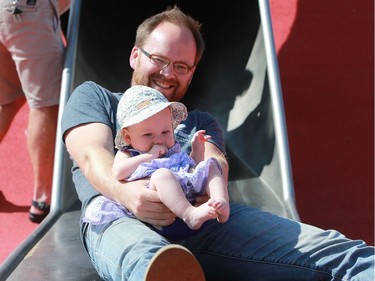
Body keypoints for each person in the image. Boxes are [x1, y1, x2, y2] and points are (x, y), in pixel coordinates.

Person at [61, 5, 374, 281]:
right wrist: (126, 194)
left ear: (192, 72)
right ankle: (167, 269)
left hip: (199, 218)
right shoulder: (96, 97)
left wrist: (211, 183)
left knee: (345, 255)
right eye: (158, 59)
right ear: (135, 55)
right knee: (149, 259)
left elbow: (215, 161)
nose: (168, 73)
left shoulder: (198, 121)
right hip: (119, 217)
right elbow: (92, 155)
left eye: (181, 66)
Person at [83, 85, 229, 237]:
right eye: (147, 134)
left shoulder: (172, 150)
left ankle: (220, 204)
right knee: (162, 175)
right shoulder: (129, 153)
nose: (159, 139)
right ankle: (189, 214)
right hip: (159, 212)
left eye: (165, 132)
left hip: (187, 195)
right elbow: (118, 172)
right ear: (127, 137)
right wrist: (149, 156)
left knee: (211, 165)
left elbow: (191, 168)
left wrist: (197, 150)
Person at [0, 0, 70, 223]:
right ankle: (43, 197)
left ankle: (43, 194)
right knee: (46, 104)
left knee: (8, 99)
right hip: (27, 10)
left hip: (13, 11)